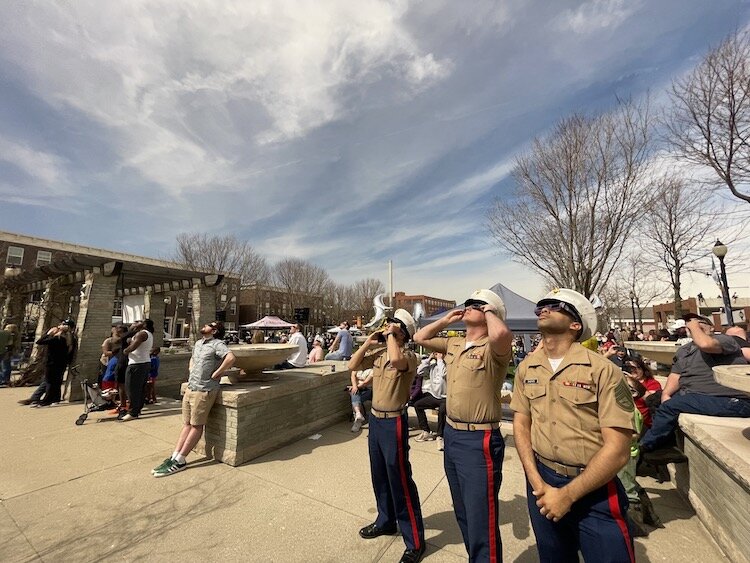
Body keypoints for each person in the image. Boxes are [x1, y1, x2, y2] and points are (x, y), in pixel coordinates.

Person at [510, 288, 636, 563]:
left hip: (595, 491)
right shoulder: (526, 368)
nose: (543, 308)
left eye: (554, 305)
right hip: (541, 483)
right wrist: (536, 481)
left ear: (575, 324)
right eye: (540, 305)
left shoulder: (603, 370)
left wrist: (567, 495)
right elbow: (521, 425)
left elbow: (618, 449)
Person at [414, 288, 513, 562]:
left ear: (489, 313)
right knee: (463, 511)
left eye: (477, 304)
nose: (469, 306)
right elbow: (419, 337)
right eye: (468, 302)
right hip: (452, 434)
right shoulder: (454, 343)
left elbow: (502, 335)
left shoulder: (494, 347)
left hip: (479, 439)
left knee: (481, 516)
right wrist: (447, 321)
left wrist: (490, 309)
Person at [348, 310, 425, 563]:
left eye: (393, 325)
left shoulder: (408, 356)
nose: (387, 327)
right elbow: (352, 365)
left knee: (400, 480)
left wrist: (391, 335)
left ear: (402, 331)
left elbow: (396, 359)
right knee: (379, 475)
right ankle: (385, 520)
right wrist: (370, 341)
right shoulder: (380, 354)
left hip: (394, 422)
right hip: (377, 423)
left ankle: (414, 540)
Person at [639, 313, 750, 461]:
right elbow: (676, 375)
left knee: (671, 407)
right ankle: (667, 446)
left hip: (729, 400)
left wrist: (693, 326)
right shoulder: (684, 350)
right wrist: (666, 394)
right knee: (655, 400)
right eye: (691, 323)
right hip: (696, 396)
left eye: (700, 321)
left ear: (712, 327)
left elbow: (705, 344)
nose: (695, 324)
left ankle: (647, 447)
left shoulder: (725, 340)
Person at [152, 321, 235, 477]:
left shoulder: (217, 344)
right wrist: (191, 367)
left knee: (196, 425)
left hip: (204, 390)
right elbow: (192, 358)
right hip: (191, 387)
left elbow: (230, 358)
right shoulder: (198, 343)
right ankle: (175, 456)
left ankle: (182, 460)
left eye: (209, 324)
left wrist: (217, 373)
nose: (205, 325)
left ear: (215, 330)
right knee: (187, 424)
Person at [33, 319, 78, 407]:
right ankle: (55, 399)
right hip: (62, 363)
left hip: (52, 363)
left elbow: (40, 341)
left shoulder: (57, 339)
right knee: (57, 381)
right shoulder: (71, 339)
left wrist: (49, 333)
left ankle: (47, 400)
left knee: (50, 381)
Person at [120, 319, 154, 421]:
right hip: (144, 363)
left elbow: (133, 347)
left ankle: (133, 412)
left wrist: (125, 351)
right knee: (140, 388)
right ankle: (137, 409)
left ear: (144, 324)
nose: (135, 322)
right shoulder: (147, 334)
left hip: (137, 364)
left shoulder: (142, 334)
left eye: (138, 321)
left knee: (131, 388)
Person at [412, 353, 447, 451]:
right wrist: (429, 359)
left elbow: (444, 374)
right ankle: (426, 431)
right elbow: (419, 371)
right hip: (434, 395)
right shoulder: (432, 364)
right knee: (418, 405)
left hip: (446, 397)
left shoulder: (447, 364)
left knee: (442, 411)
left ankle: (440, 436)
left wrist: (440, 360)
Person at [624, 356, 661, 428]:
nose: (632, 370)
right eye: (629, 368)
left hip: (644, 423)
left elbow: (653, 401)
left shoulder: (652, 383)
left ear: (642, 369)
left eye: (635, 368)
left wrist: (634, 383)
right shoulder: (622, 382)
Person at [349, 367, 374, 432]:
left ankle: (358, 419)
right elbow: (353, 376)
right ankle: (358, 414)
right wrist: (354, 386)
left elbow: (366, 383)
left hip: (370, 389)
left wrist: (355, 387)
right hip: (358, 389)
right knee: (354, 393)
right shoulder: (358, 365)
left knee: (354, 395)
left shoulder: (373, 369)